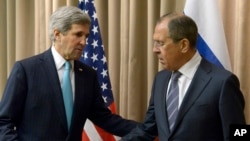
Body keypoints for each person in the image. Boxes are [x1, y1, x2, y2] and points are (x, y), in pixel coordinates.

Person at [0, 6, 139, 141]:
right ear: (57, 34)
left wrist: (147, 129)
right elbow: (3, 121)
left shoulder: (88, 75)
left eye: (86, 36)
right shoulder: (26, 70)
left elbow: (104, 118)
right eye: (78, 34)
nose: (84, 42)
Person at [121, 12, 245, 141]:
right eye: (155, 42)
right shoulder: (160, 79)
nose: (154, 49)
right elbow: (148, 129)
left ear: (184, 45)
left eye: (160, 43)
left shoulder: (222, 82)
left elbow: (238, 134)